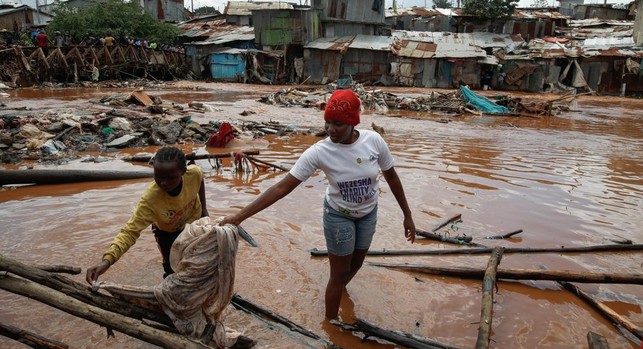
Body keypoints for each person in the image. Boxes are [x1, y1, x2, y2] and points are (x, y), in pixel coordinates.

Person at [219, 89, 416, 319]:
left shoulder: (374, 141)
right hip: (338, 215)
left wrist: (407, 215)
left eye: (338, 124)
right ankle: (332, 326)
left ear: (353, 123)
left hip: (368, 213)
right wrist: (239, 216)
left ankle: (341, 297)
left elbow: (391, 177)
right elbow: (282, 187)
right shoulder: (319, 151)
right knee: (339, 274)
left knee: (357, 265)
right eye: (328, 122)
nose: (331, 129)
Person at [86, 146, 209, 284]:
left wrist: (204, 210)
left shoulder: (193, 173)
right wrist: (107, 261)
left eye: (170, 177)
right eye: (158, 177)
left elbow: (200, 179)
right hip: (167, 233)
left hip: (194, 224)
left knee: (199, 262)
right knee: (172, 269)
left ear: (183, 172)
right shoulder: (151, 201)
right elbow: (130, 232)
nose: (163, 182)